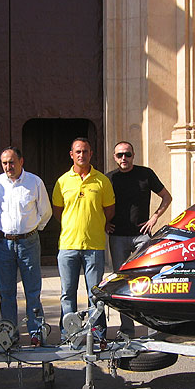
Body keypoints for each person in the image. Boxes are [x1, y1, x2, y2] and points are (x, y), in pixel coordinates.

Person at [0, 147, 52, 346]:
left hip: (29, 243)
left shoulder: (35, 182)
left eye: (12, 162)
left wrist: (32, 229)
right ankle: (10, 333)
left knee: (33, 291)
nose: (9, 166)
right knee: (6, 292)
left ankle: (36, 332)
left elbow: (45, 211)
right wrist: (2, 230)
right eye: (5, 163)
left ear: (21, 161)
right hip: (4, 244)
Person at [52, 137, 115, 343]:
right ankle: (68, 333)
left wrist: (95, 223)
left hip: (94, 246)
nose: (81, 155)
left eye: (85, 151)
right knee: (67, 293)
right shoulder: (62, 181)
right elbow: (58, 211)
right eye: (78, 151)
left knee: (94, 294)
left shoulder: (101, 181)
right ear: (71, 154)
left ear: (91, 154)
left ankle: (97, 333)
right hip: (68, 246)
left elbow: (109, 210)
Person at [106, 141, 172, 336]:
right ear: (114, 157)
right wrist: (104, 223)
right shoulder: (109, 179)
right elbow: (100, 205)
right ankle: (127, 330)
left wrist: (155, 217)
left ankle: (151, 328)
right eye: (119, 155)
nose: (123, 158)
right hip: (117, 238)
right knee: (122, 284)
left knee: (147, 282)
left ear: (133, 155)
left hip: (142, 238)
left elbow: (167, 197)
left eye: (127, 154)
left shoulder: (146, 174)